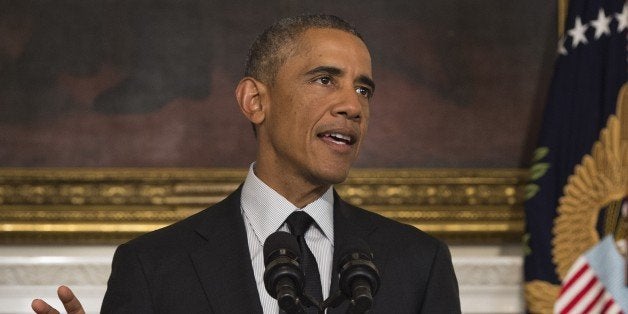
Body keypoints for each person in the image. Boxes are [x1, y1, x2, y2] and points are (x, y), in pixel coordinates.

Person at [31, 14, 460, 313]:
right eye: (325, 79)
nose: (352, 105)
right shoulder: (153, 267)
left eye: (364, 90)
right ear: (255, 100)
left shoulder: (418, 263)